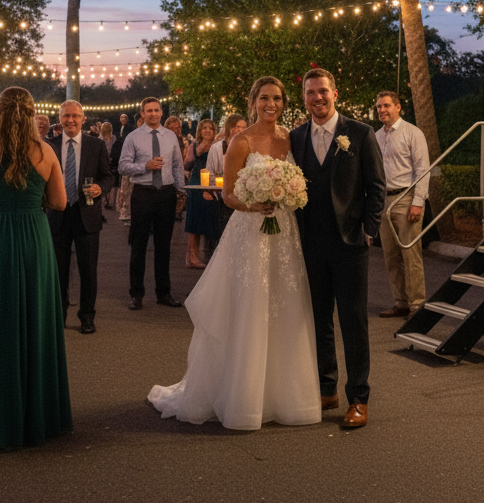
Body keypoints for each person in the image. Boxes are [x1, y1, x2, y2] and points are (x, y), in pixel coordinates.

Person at [148, 77, 321, 431]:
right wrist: (255, 204)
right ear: (253, 101)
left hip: (284, 233)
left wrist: (286, 194)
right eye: (264, 98)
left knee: (285, 307)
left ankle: (284, 395)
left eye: (276, 98)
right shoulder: (240, 141)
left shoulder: (290, 139)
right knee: (250, 308)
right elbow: (227, 194)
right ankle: (243, 398)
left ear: (284, 103)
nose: (270, 104)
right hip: (250, 231)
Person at [0, 87, 70, 450]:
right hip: (34, 239)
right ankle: (39, 415)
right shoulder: (46, 151)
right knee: (35, 321)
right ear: (33, 112)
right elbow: (60, 202)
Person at [290, 68, 385, 429]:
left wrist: (369, 230)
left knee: (352, 322)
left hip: (350, 243)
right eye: (311, 92)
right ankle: (326, 388)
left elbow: (377, 186)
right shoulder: (296, 137)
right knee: (318, 319)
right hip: (309, 242)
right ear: (305, 98)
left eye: (323, 92)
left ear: (335, 93)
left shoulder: (360, 133)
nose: (317, 98)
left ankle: (358, 398)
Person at [47, 101, 114, 335]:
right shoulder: (49, 146)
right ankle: (59, 314)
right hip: (57, 215)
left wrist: (100, 188)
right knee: (58, 271)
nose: (71, 120)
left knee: (88, 271)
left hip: (87, 214)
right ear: (60, 118)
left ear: (83, 119)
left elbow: (108, 176)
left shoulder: (96, 146)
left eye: (75, 116)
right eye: (66, 116)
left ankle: (87, 316)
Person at [118, 98, 185, 311]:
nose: (154, 114)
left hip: (166, 194)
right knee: (138, 246)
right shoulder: (133, 137)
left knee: (164, 247)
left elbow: (177, 164)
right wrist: (144, 166)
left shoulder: (170, 136)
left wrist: (181, 190)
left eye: (157, 110)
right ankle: (136, 294)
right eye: (149, 111)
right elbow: (122, 167)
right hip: (143, 194)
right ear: (142, 113)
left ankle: (163, 292)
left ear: (161, 112)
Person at [374, 92, 431, 318]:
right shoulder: (377, 136)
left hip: (406, 200)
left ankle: (418, 304)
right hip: (384, 201)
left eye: (386, 105)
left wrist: (417, 202)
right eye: (379, 106)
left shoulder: (412, 133)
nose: (382, 110)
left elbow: (423, 169)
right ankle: (400, 302)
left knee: (411, 256)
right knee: (391, 257)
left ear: (398, 107)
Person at [204, 114, 247, 256]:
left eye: (242, 127)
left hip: (241, 195)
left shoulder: (247, 147)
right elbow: (210, 171)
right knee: (220, 229)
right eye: (236, 127)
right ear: (229, 128)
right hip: (220, 195)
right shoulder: (217, 148)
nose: (239, 130)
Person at [182, 119, 218, 269]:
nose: (207, 130)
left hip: (212, 180)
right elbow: (188, 163)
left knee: (209, 217)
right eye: (204, 128)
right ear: (200, 131)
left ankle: (207, 254)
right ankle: (191, 256)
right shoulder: (195, 145)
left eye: (210, 128)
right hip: (197, 179)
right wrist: (204, 144)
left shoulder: (218, 145)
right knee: (195, 219)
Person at [165, 116, 187, 221]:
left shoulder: (182, 138)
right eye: (172, 123)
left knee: (180, 192)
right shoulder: (165, 137)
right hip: (167, 168)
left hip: (179, 167)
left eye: (177, 123)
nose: (175, 125)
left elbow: (184, 154)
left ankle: (176, 212)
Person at [98, 122, 117, 209]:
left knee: (103, 179)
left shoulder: (100, 138)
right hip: (111, 160)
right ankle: (109, 200)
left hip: (102, 160)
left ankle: (104, 199)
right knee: (110, 179)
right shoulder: (113, 138)